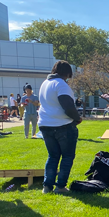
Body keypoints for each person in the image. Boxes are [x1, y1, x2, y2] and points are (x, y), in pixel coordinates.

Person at [38, 60, 81, 194]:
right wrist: (77, 118)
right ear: (67, 73)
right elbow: (68, 106)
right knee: (67, 156)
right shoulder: (61, 85)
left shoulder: (44, 83)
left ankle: (47, 186)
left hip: (45, 124)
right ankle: (60, 186)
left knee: (53, 156)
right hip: (62, 125)